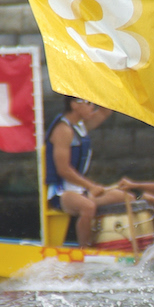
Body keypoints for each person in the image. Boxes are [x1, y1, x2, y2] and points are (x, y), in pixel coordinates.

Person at [45, 96, 130, 246]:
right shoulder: (63, 130)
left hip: (80, 191)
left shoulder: (80, 125)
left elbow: (105, 111)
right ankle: (86, 249)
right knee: (88, 207)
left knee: (125, 197)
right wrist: (91, 186)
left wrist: (95, 87)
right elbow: (63, 169)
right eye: (88, 103)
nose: (92, 107)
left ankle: (117, 242)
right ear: (74, 105)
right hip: (61, 192)